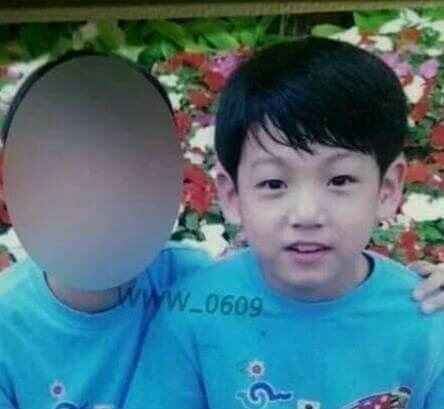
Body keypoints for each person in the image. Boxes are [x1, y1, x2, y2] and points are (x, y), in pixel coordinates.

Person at [124, 37, 444, 409]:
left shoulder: (426, 319)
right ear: (232, 195)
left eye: (340, 180)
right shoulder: (194, 314)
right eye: (274, 183)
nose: (306, 215)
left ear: (387, 189)